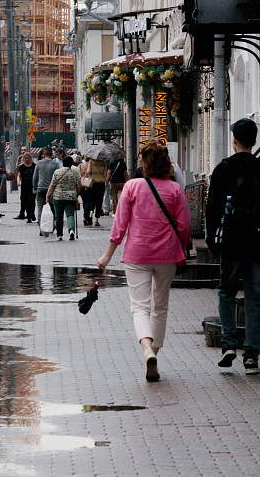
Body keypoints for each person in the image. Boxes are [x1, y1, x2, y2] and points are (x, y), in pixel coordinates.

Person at [97, 140, 191, 382]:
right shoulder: (175, 190)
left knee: (140, 307)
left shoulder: (132, 186)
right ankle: (154, 355)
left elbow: (120, 225)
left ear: (143, 163)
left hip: (137, 254)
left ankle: (147, 349)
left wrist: (107, 255)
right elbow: (184, 227)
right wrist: (184, 246)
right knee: (160, 307)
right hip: (168, 255)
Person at [205, 118, 260, 376]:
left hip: (231, 240)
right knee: (256, 297)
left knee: (226, 291)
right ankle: (251, 356)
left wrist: (211, 240)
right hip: (259, 241)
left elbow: (213, 208)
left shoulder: (223, 169)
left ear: (234, 140)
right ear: (255, 141)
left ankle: (228, 343)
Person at [46, 155, 81, 241]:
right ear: (71, 164)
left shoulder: (57, 172)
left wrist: (47, 196)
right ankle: (71, 230)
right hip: (71, 196)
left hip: (58, 197)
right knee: (70, 215)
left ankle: (59, 235)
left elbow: (52, 185)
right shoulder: (75, 172)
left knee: (58, 216)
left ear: (63, 163)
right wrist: (77, 193)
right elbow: (79, 185)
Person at [34, 146, 61, 236]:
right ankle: (51, 227)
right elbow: (57, 178)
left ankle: (41, 228)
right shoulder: (55, 164)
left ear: (44, 154)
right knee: (52, 209)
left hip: (41, 189)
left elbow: (35, 177)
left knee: (40, 208)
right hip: (52, 190)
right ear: (52, 154)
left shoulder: (39, 163)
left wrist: (34, 187)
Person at [14, 152, 37, 222]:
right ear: (23, 159)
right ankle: (29, 217)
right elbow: (18, 172)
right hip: (24, 186)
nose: (27, 160)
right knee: (26, 201)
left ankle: (32, 213)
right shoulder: (22, 166)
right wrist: (18, 182)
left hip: (32, 186)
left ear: (30, 158)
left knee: (32, 201)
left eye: (28, 158)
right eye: (25, 158)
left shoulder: (34, 166)